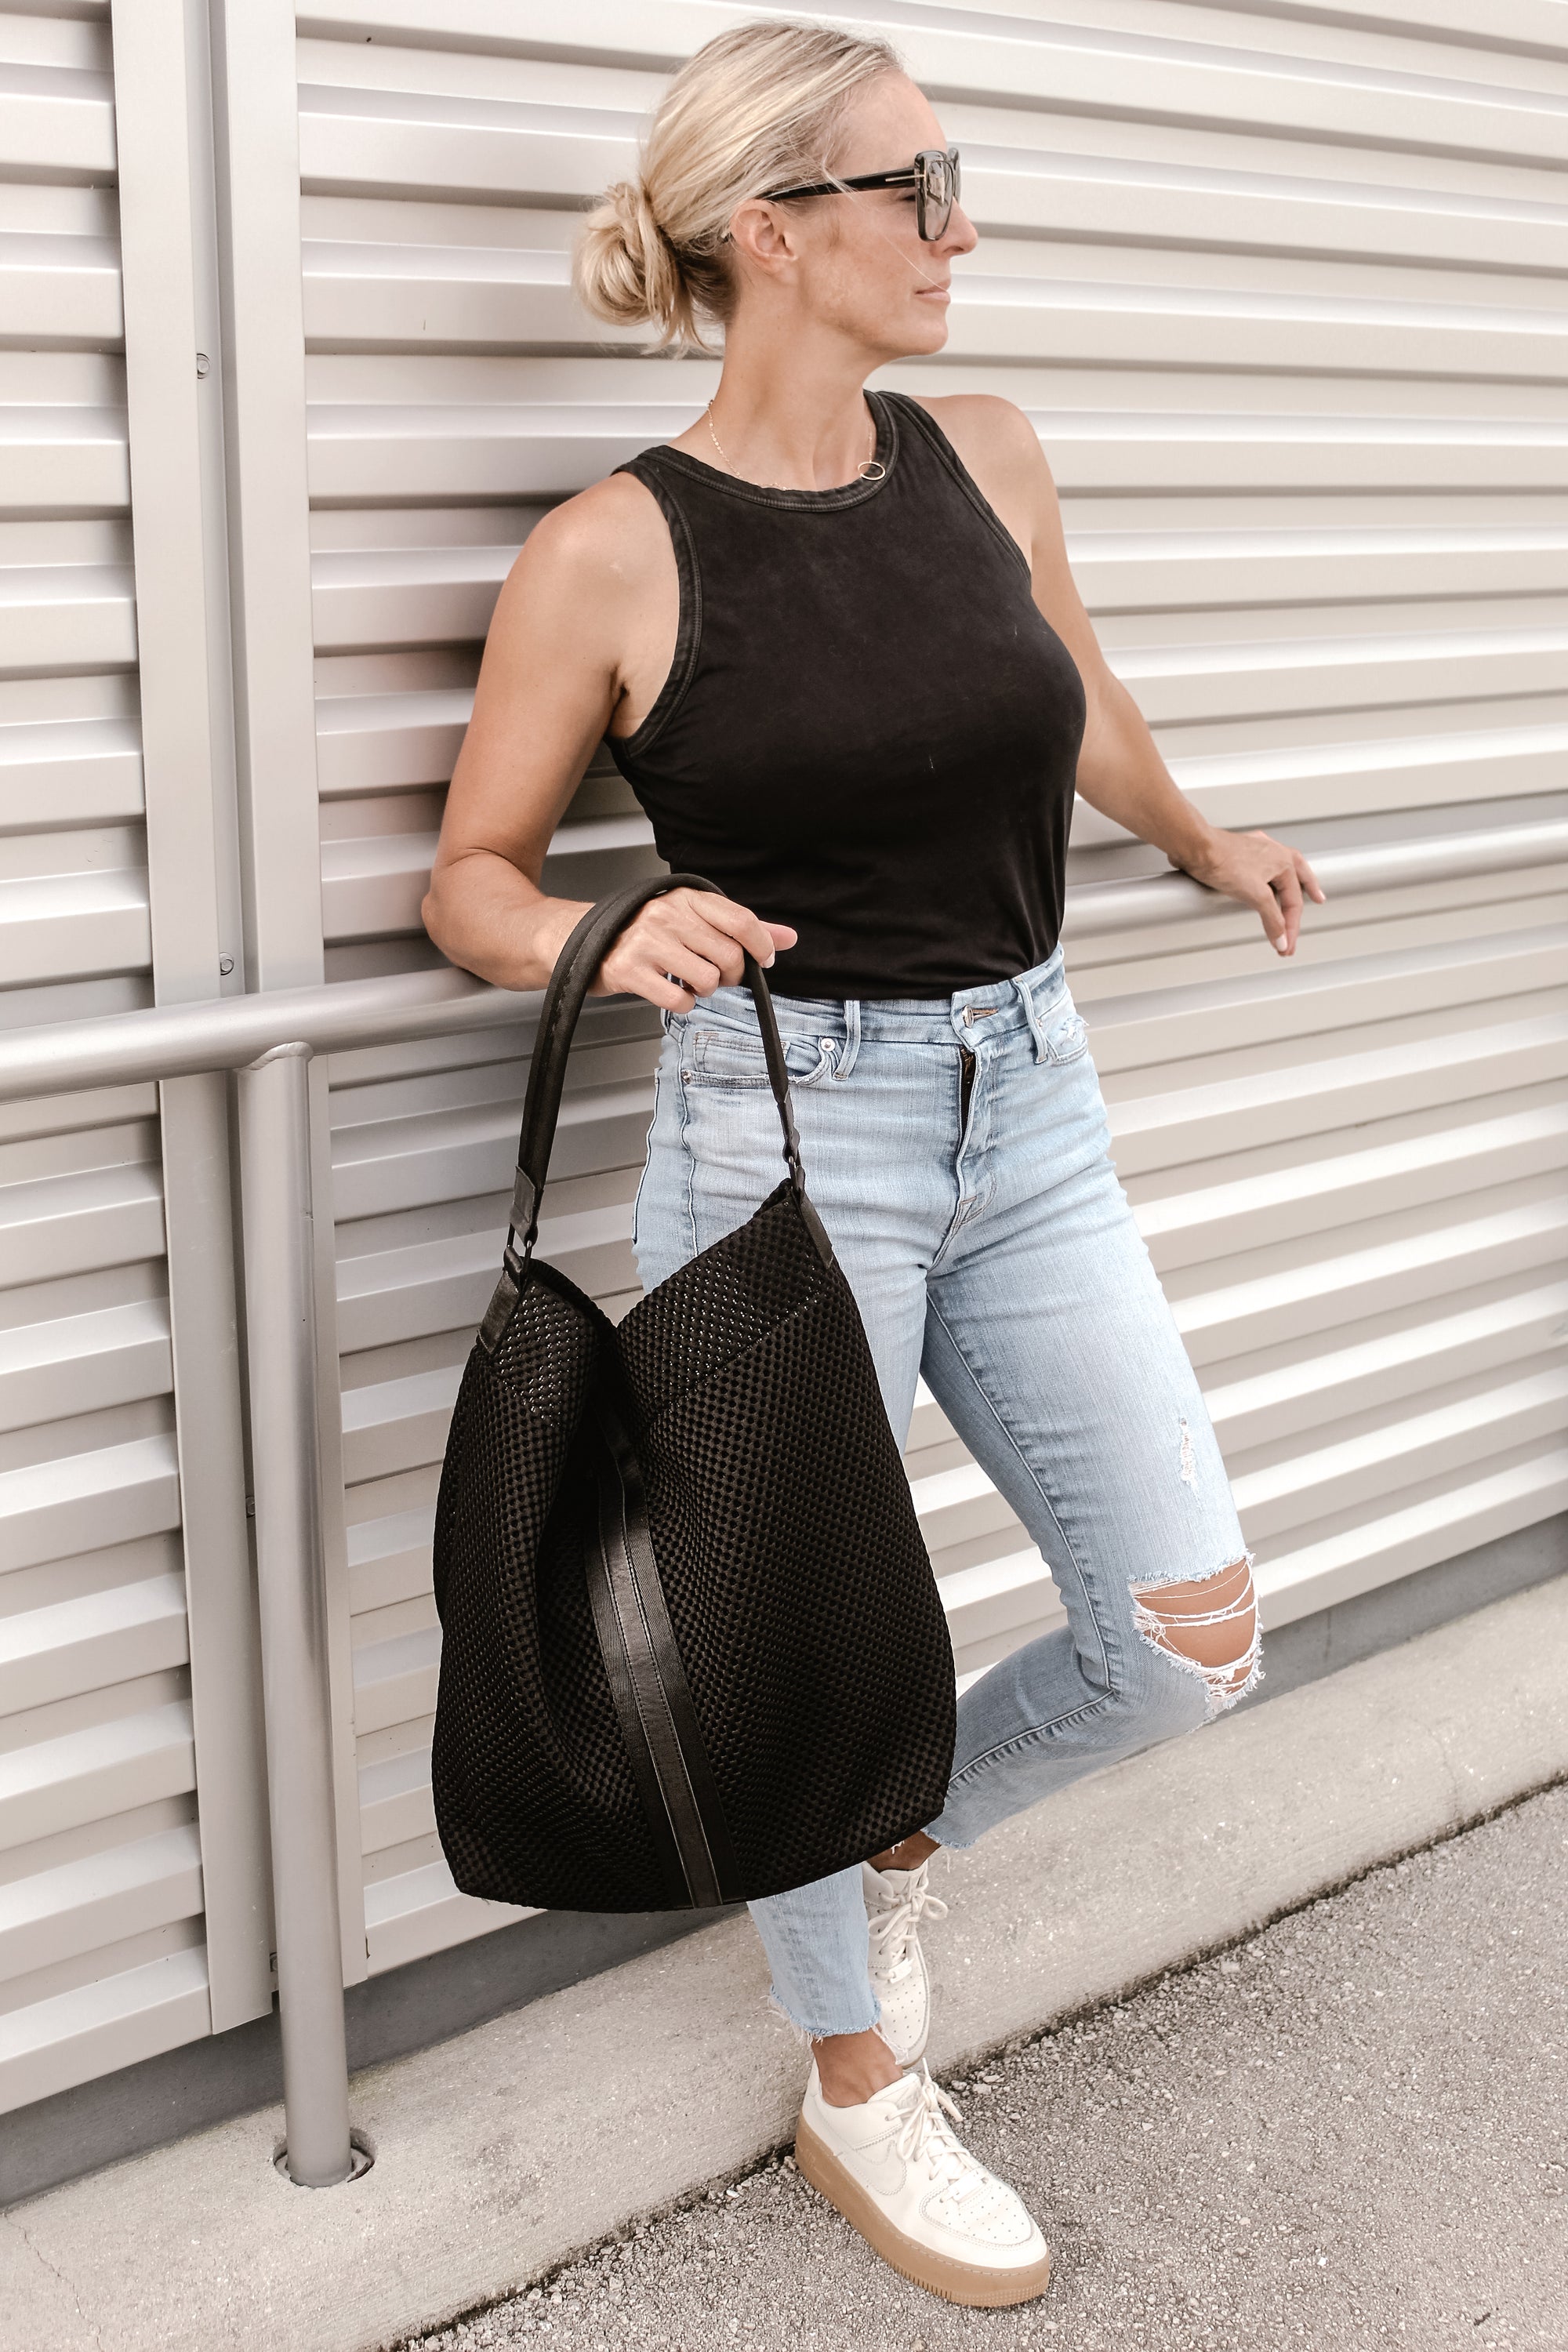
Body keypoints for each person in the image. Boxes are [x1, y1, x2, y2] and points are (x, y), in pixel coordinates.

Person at [423, 16, 1324, 2311]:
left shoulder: (989, 453)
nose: (963, 225)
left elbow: (1076, 691)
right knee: (796, 1645)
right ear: (773, 232)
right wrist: (597, 926)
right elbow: (473, 878)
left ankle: (887, 1832)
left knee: (1182, 1634)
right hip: (778, 1128)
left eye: (952, 179)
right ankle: (859, 2088)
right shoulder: (612, 551)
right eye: (921, 185)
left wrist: (1201, 833)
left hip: (1033, 1100)